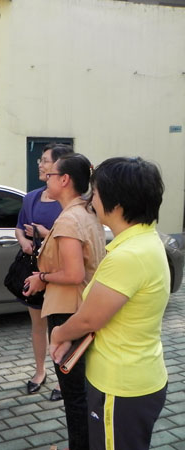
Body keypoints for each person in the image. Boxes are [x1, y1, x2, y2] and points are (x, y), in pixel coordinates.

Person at [49, 157, 169, 450]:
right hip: (136, 376)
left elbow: (90, 319)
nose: (91, 200)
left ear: (118, 202)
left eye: (96, 193)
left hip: (120, 386)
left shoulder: (128, 256)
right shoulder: (143, 242)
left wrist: (59, 333)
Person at [24, 153, 106, 450]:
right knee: (83, 391)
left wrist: (42, 277)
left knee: (74, 395)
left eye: (51, 174)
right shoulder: (86, 211)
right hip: (82, 306)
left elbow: (74, 274)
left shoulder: (70, 219)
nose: (46, 177)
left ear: (65, 180)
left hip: (68, 312)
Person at [15, 143, 73, 400]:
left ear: (60, 167)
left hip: (61, 274)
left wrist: (43, 233)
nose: (40, 164)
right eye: (40, 160)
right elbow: (19, 227)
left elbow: (71, 241)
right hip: (34, 271)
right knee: (38, 325)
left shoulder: (70, 202)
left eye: (45, 161)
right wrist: (24, 241)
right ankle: (40, 372)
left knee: (61, 328)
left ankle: (64, 379)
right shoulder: (31, 197)